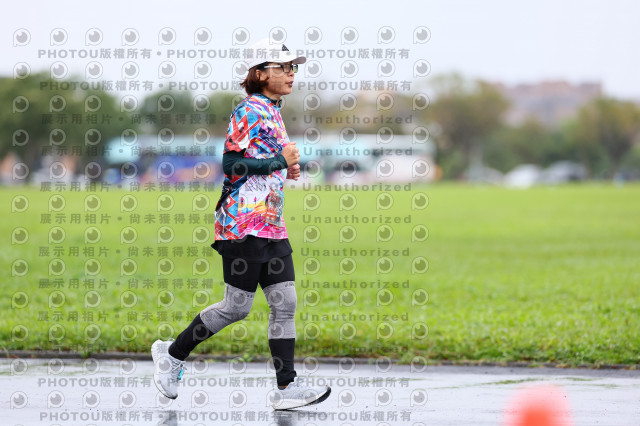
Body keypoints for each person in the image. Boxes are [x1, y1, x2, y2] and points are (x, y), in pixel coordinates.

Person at [151, 38, 331, 410]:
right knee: (236, 307)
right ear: (260, 73)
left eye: (293, 67)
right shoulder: (248, 110)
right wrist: (278, 162)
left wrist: (285, 169)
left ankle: (286, 387)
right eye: (284, 67)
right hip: (242, 224)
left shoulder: (273, 110)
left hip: (271, 223)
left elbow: (263, 161)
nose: (291, 74)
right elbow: (231, 164)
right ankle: (172, 354)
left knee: (285, 302)